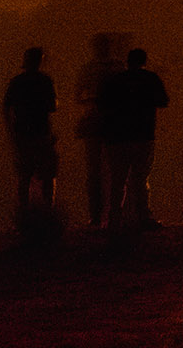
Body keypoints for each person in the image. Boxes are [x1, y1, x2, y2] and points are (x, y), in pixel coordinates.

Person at [96, 47, 170, 229]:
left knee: (117, 180)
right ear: (144, 61)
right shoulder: (151, 79)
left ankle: (114, 218)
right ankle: (143, 216)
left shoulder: (115, 81)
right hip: (143, 135)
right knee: (140, 179)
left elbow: (103, 104)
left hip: (117, 136)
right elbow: (163, 101)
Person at [2, 47, 59, 217]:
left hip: (22, 133)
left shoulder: (17, 82)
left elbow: (6, 107)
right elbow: (53, 106)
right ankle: (48, 210)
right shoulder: (45, 80)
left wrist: (11, 131)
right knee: (48, 174)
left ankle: (23, 213)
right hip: (42, 132)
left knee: (24, 176)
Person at [73, 33, 123, 229]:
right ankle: (111, 216)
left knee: (96, 172)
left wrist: (91, 103)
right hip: (113, 122)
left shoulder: (89, 69)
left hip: (96, 122)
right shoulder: (118, 68)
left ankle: (97, 216)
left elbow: (78, 95)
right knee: (113, 170)